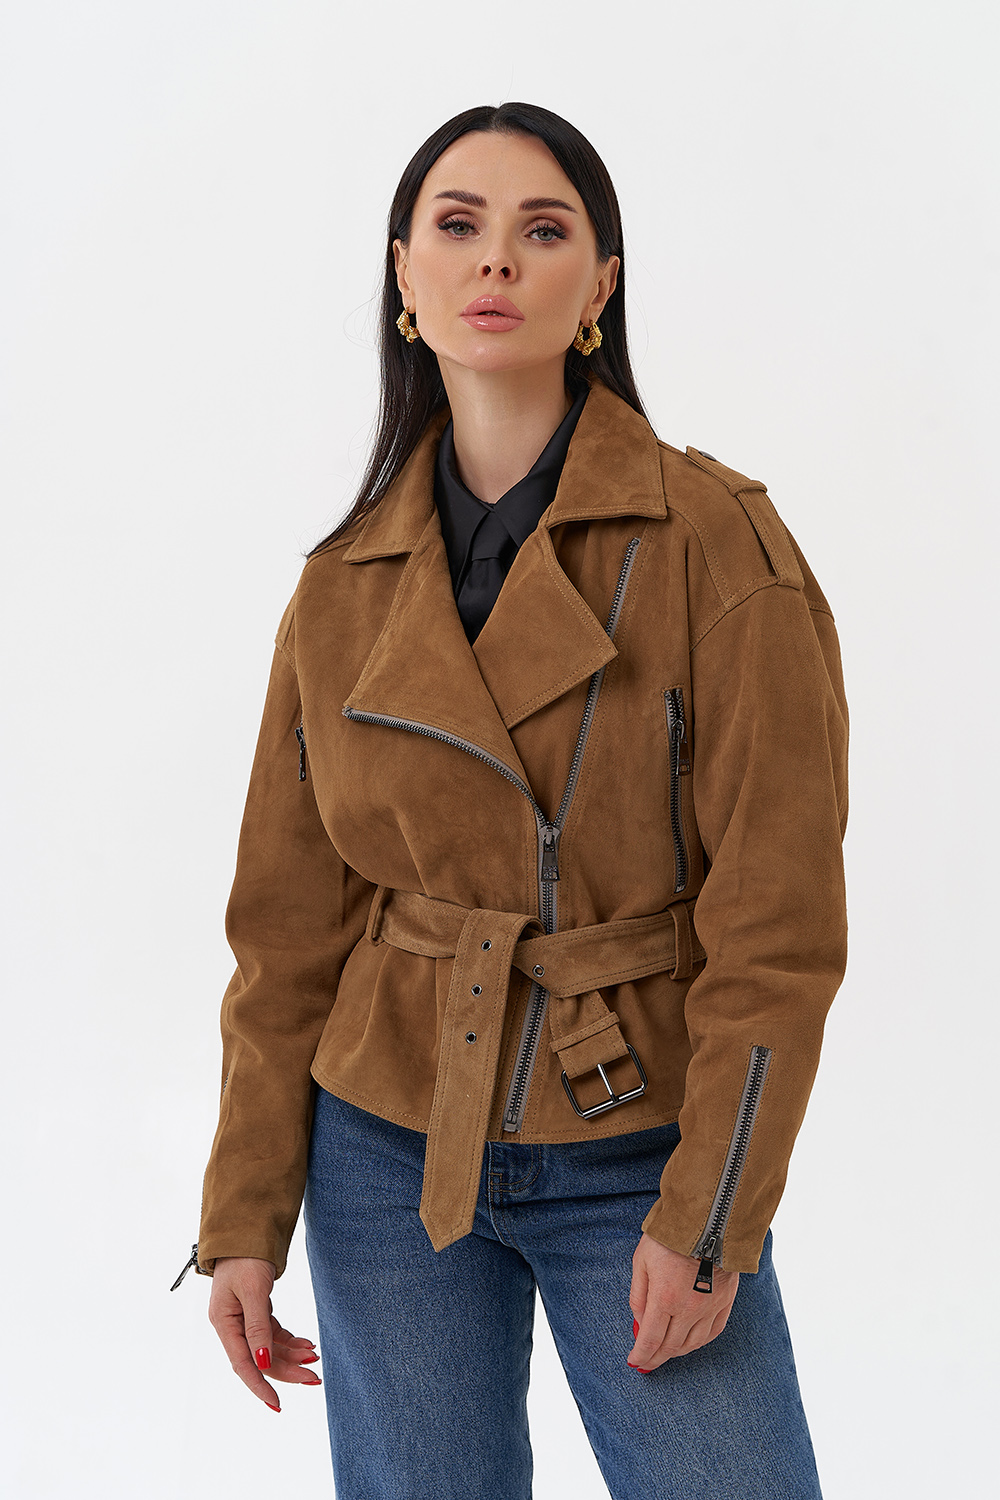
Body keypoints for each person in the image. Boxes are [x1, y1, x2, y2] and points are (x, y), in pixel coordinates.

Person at [173, 102, 849, 1500]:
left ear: (600, 286)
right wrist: (243, 1212)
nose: (497, 260)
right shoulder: (343, 585)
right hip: (385, 1146)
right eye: (458, 226)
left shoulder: (714, 544)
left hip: (641, 1141)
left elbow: (777, 924)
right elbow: (287, 933)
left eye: (544, 230)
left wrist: (711, 1216)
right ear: (404, 277)